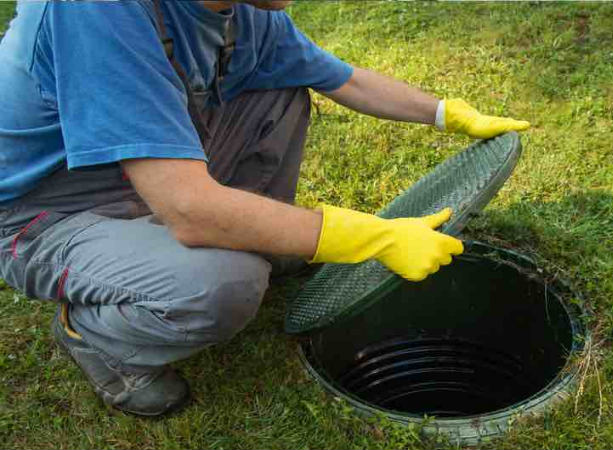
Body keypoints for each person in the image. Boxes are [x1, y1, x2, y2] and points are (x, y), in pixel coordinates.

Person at [0, 0, 530, 416]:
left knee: (280, 91)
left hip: (145, 170)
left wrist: (447, 114)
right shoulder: (93, 11)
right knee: (222, 284)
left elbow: (343, 79)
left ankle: (257, 243)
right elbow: (189, 208)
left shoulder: (244, 12)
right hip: (46, 212)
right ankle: (92, 335)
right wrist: (372, 236)